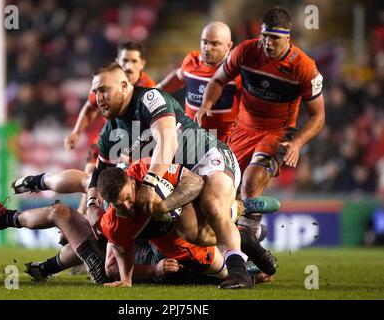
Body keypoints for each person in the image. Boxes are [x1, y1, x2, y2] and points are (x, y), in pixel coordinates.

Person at [85, 62, 255, 289]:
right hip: (177, 177)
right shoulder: (109, 131)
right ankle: (238, 216)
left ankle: (238, 274)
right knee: (193, 233)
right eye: (96, 92)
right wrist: (92, 203)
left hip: (207, 158)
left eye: (104, 89)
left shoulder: (149, 99)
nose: (98, 97)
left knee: (212, 206)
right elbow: (100, 173)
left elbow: (168, 141)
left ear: (125, 86)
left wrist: (149, 182)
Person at [197, 8, 325, 275]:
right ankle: (252, 236)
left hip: (278, 133)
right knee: (221, 191)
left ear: (288, 38)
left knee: (251, 182)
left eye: (274, 39)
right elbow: (218, 79)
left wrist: (298, 143)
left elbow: (318, 116)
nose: (268, 43)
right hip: (242, 130)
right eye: (265, 36)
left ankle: (245, 257)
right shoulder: (246, 51)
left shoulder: (304, 67)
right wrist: (205, 105)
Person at [97, 160, 276, 287]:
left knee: (197, 227)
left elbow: (195, 181)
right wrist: (128, 279)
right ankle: (246, 255)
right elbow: (117, 259)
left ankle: (239, 209)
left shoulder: (148, 170)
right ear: (109, 204)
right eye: (120, 205)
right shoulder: (112, 223)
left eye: (128, 198)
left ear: (131, 181)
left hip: (181, 210)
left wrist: (164, 206)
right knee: (219, 272)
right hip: (165, 239)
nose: (128, 207)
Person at [62, 41, 156, 215]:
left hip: (136, 144)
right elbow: (90, 107)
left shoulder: (149, 90)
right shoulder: (104, 85)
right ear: (117, 62)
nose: (128, 66)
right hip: (108, 138)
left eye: (133, 61)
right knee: (91, 171)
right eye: (124, 61)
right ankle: (84, 215)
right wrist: (76, 132)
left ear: (142, 63)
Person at [156, 21, 239, 142]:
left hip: (224, 142)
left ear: (229, 45)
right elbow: (179, 76)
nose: (207, 48)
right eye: (204, 42)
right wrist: (157, 89)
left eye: (215, 44)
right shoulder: (192, 61)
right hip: (190, 138)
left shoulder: (237, 70)